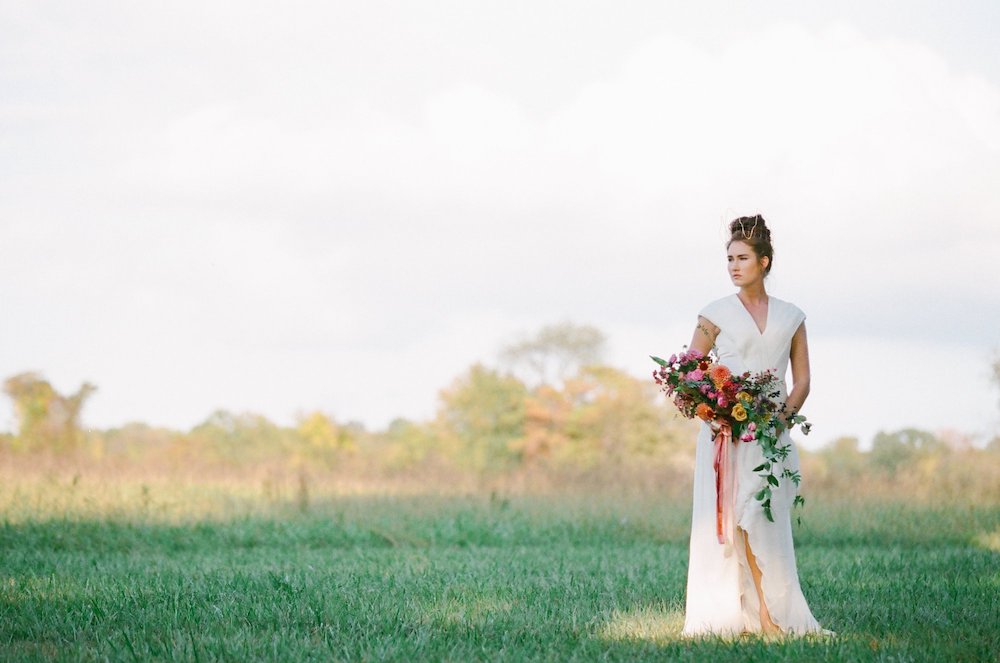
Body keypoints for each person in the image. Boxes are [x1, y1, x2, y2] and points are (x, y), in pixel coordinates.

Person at [680, 215, 834, 638]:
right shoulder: (713, 314)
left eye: (742, 258)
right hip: (726, 437)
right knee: (735, 519)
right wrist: (715, 414)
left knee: (763, 518)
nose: (733, 266)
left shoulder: (792, 316)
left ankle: (771, 613)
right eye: (729, 258)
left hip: (770, 436)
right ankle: (756, 618)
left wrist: (776, 425)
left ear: (764, 262)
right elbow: (687, 375)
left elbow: (801, 382)